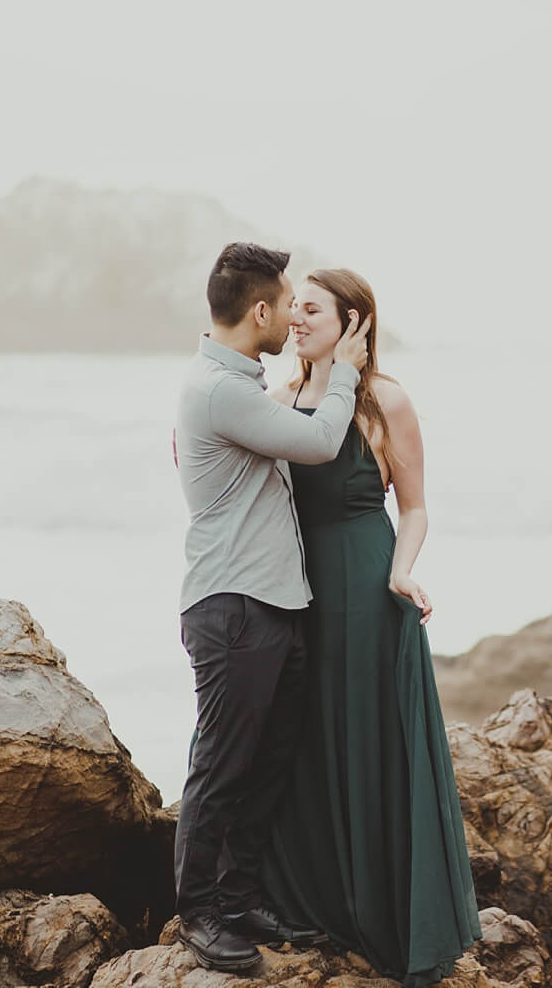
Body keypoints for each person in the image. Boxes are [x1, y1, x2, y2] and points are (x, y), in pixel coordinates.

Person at [261, 268, 481, 987]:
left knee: (370, 741)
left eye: (312, 308)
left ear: (354, 323)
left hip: (365, 581)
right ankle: (317, 903)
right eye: (293, 306)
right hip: (297, 590)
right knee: (307, 739)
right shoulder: (281, 396)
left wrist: (402, 569)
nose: (295, 317)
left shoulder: (385, 399)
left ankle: (391, 917)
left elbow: (414, 507)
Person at [172, 242, 371, 972]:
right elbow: (319, 443)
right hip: (234, 606)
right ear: (259, 310)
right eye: (287, 304)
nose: (292, 316)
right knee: (223, 766)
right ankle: (198, 912)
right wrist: (342, 371)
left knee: (266, 762)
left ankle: (238, 895)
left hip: (273, 603)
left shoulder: (243, 385)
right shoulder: (219, 392)